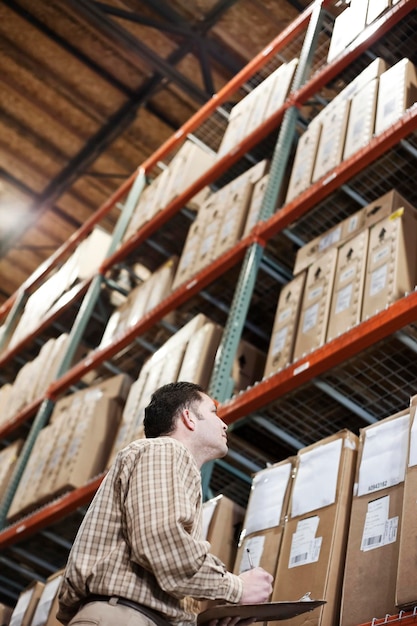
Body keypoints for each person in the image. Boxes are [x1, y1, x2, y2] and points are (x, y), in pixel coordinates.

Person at [57, 381, 273, 626]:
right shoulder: (165, 450)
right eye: (214, 413)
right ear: (189, 418)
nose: (224, 423)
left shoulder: (171, 467)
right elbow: (160, 539)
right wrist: (238, 588)